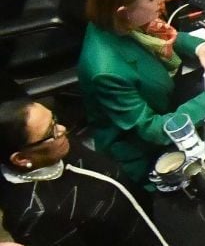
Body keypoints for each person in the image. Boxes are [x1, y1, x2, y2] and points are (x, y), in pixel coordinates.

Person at [77, 0, 205, 185]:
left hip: (170, 103)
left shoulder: (116, 20)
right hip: (147, 153)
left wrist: (200, 47)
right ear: (124, 12)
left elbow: (161, 36)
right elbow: (154, 130)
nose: (162, 0)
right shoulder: (107, 72)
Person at [0, 97, 169, 246]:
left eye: (54, 120)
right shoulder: (38, 218)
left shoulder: (57, 147)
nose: (62, 129)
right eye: (51, 131)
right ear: (21, 158)